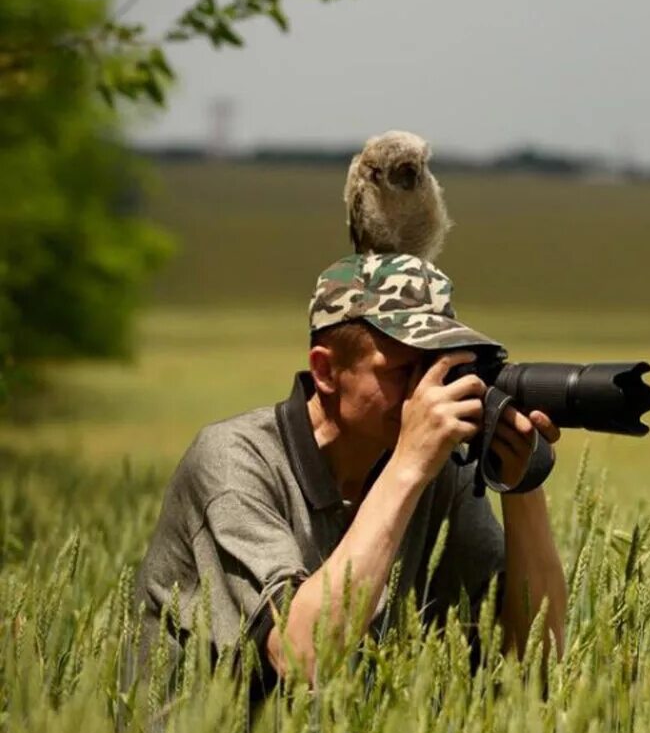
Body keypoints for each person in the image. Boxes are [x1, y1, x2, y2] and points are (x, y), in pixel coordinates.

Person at [129, 252, 567, 698]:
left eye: (443, 370)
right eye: (403, 372)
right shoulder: (233, 464)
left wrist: (520, 481)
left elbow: (534, 662)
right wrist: (408, 466)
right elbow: (302, 656)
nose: (427, 395)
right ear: (325, 371)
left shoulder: (438, 473)